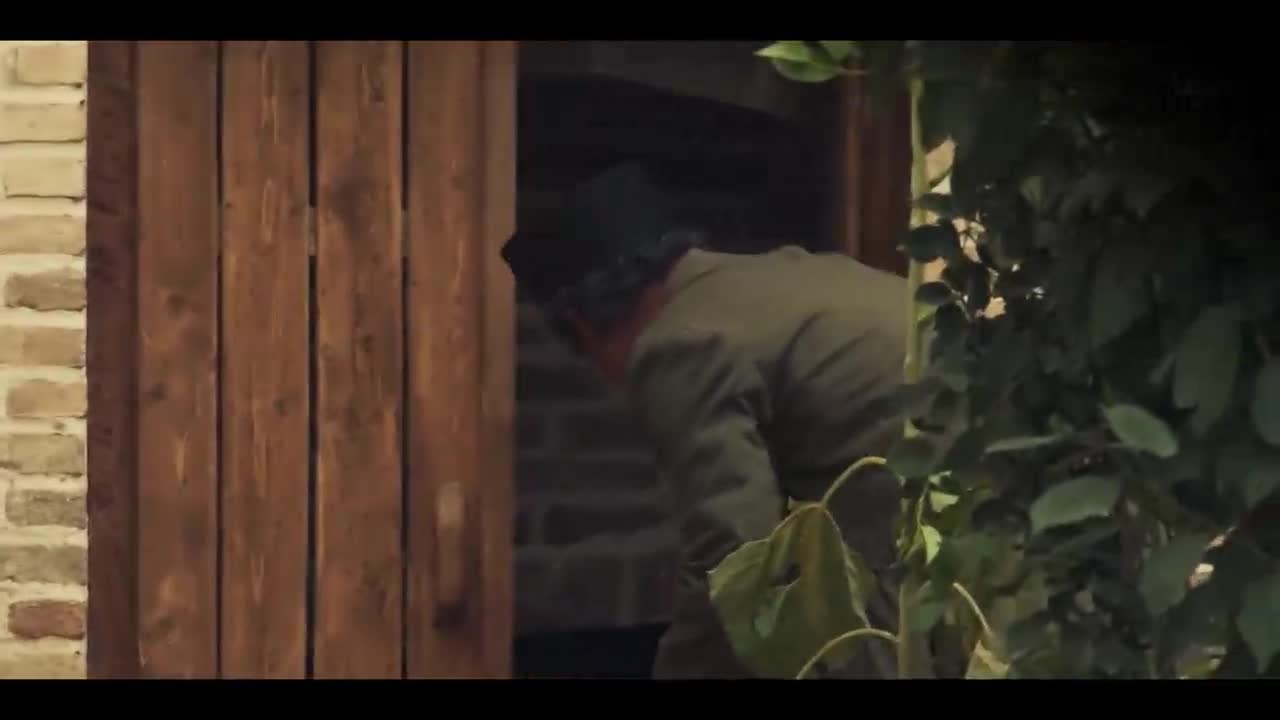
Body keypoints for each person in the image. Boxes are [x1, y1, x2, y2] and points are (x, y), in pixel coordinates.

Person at [501, 163, 908, 679]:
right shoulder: (790, 274)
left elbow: (736, 557)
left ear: (581, 325)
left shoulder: (677, 342)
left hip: (917, 547)